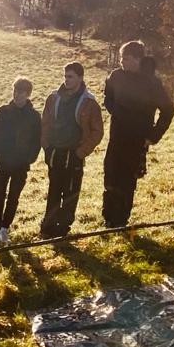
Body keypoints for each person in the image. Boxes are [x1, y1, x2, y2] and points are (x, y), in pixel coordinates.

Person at [101, 39, 174, 227]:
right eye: (121, 58)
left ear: (138, 59)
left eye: (127, 58)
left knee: (127, 180)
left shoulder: (152, 82)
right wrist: (115, 110)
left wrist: (154, 135)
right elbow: (108, 97)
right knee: (110, 175)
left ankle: (120, 219)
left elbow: (167, 110)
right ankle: (107, 217)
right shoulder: (116, 76)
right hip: (116, 135)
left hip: (137, 138)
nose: (123, 62)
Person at [39, 61, 103, 238]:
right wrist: (46, 146)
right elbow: (45, 123)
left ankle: (63, 228)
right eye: (65, 76)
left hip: (74, 154)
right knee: (53, 191)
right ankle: (48, 227)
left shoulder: (89, 102)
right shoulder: (53, 98)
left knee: (71, 192)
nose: (67, 80)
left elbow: (97, 132)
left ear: (80, 78)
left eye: (71, 77)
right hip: (55, 152)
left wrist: (80, 153)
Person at [0, 76, 42, 248]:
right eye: (15, 91)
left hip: (21, 165)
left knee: (13, 197)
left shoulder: (34, 117)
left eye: (21, 93)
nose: (17, 95)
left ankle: (4, 229)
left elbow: (36, 141)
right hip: (2, 162)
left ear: (28, 95)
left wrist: (30, 158)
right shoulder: (3, 111)